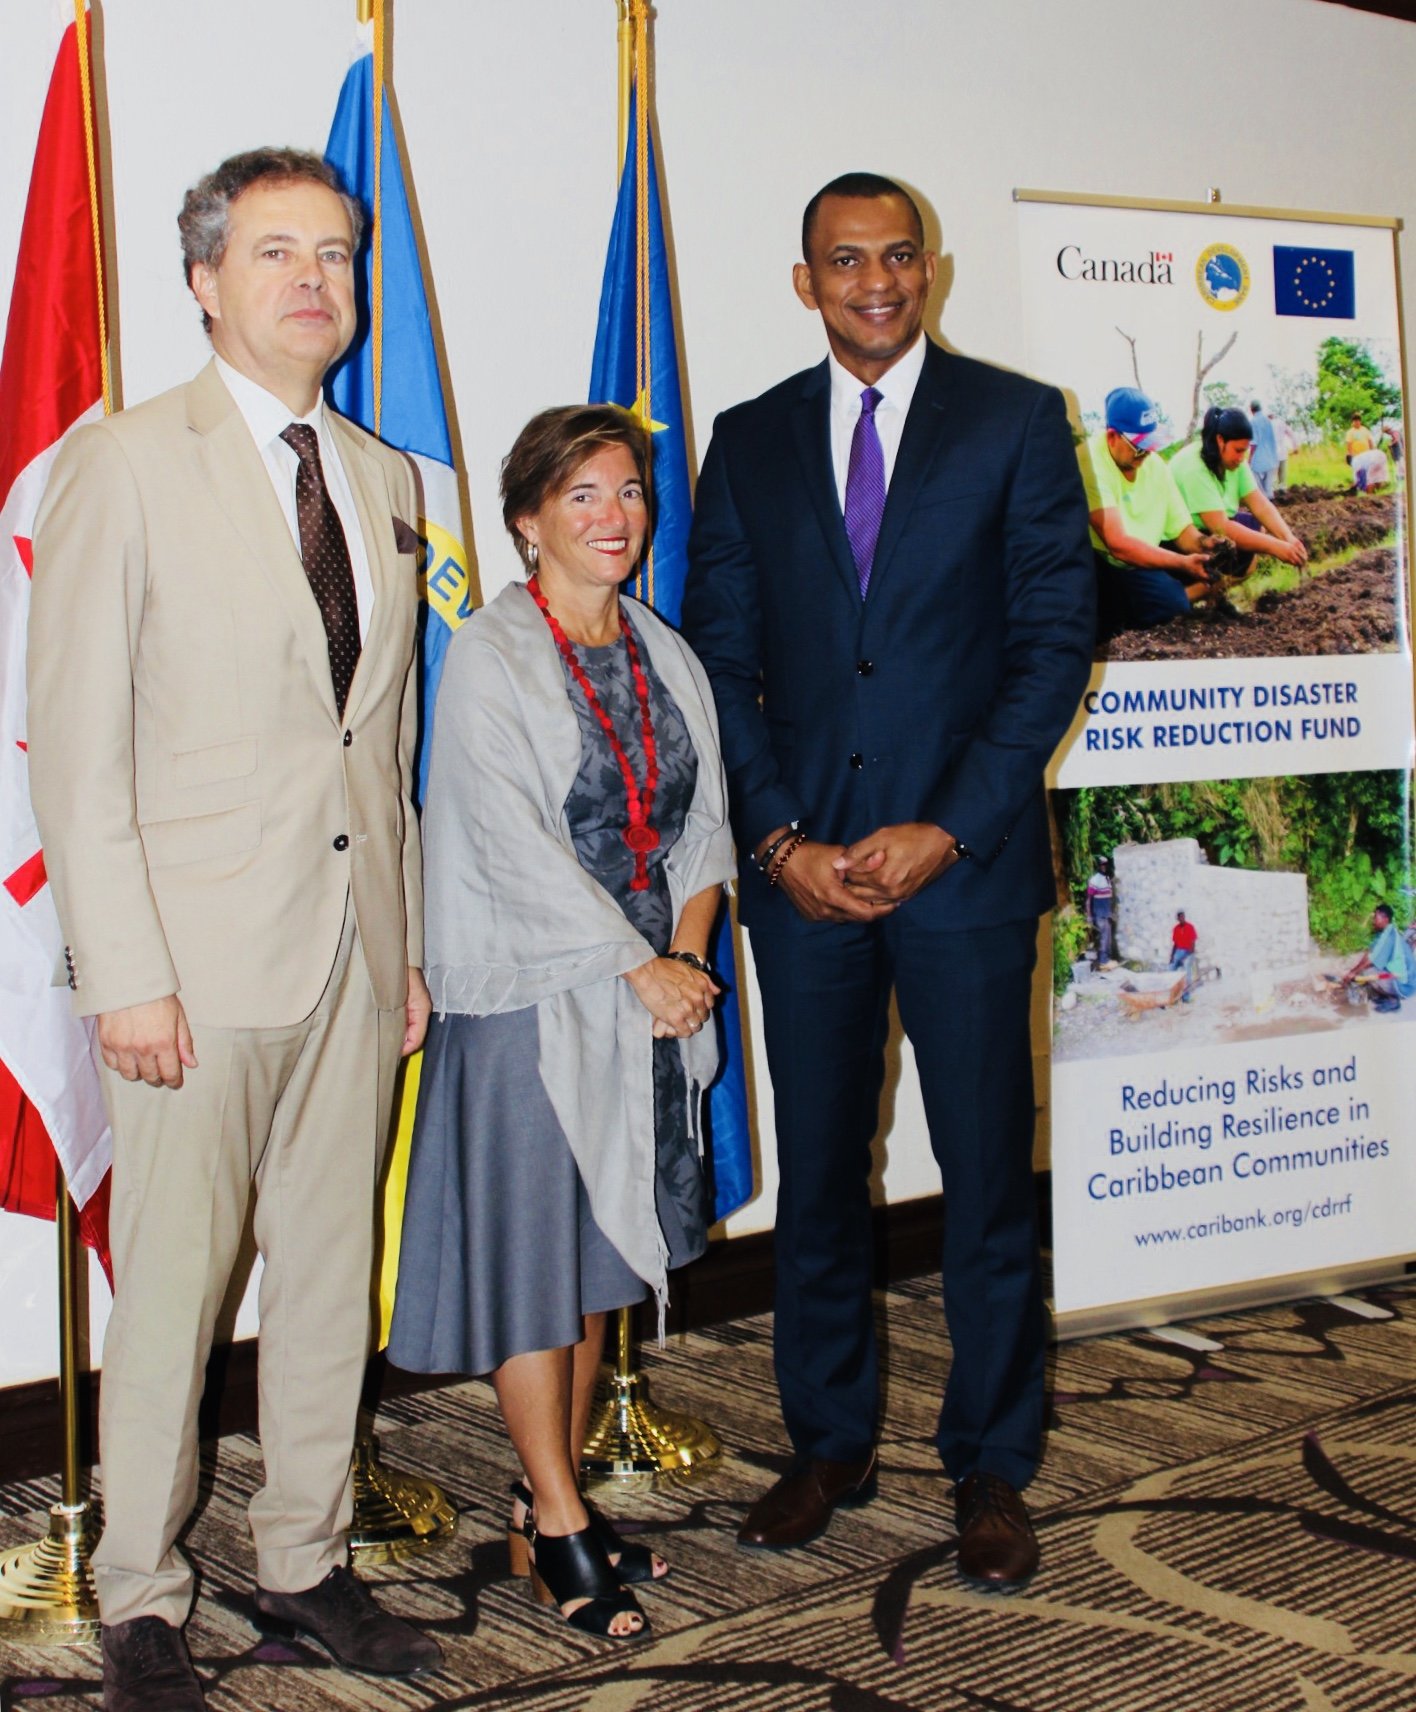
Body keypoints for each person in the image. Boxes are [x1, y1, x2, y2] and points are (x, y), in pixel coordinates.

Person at [26, 149, 440, 1711]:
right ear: (204, 279)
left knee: (335, 1277)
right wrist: (122, 973)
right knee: (180, 1292)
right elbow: (77, 745)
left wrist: (398, 947)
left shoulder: (387, 478)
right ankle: (141, 1597)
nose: (313, 282)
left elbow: (377, 746)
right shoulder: (126, 463)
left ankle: (307, 1564)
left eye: (334, 253)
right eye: (276, 253)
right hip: (191, 970)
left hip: (351, 953)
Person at [682, 172, 1094, 1588]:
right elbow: (717, 664)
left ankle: (991, 1462)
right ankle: (829, 1442)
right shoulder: (743, 444)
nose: (875, 280)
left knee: (984, 1181)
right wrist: (782, 840)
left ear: (933, 270)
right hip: (805, 887)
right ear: (805, 281)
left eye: (898, 256)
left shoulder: (1017, 422)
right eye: (845, 260)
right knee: (824, 1181)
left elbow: (1053, 647)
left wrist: (953, 827)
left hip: (963, 877)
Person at [387, 405, 733, 1641]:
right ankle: (555, 1510)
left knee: (602, 1270)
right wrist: (638, 964)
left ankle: (554, 1506)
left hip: (646, 994)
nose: (614, 516)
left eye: (630, 491)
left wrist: (686, 951)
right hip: (535, 1003)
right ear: (527, 517)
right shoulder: (487, 654)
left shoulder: (662, 646)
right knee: (541, 1274)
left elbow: (705, 823)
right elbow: (506, 845)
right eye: (581, 493)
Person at [1080, 387, 1215, 638]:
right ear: (1112, 437)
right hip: (1102, 562)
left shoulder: (1155, 466)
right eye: (1139, 446)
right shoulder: (1089, 464)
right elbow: (1118, 545)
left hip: (1143, 558)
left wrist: (1207, 545)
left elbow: (1183, 532)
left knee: (1176, 598)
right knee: (1163, 605)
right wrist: (1183, 563)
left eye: (1149, 444)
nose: (1147, 453)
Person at [1170, 407, 1308, 577]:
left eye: (1245, 450)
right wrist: (1275, 547)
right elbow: (1221, 527)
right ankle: (1190, 598)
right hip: (1180, 537)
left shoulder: (1234, 460)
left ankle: (1218, 595)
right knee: (1231, 550)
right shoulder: (1195, 466)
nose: (1242, 457)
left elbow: (1260, 504)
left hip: (1209, 527)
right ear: (1220, 441)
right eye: (1238, 450)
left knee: (1256, 530)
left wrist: (1289, 538)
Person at [1341, 903, 1416, 1013]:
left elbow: (1370, 961)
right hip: (1401, 978)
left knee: (1368, 971)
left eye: (1376, 917)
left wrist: (1353, 973)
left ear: (1385, 919)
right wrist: (1353, 971)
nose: (1373, 921)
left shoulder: (1389, 937)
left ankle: (1393, 1000)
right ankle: (1386, 993)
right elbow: (1369, 953)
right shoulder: (1384, 934)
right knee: (1365, 971)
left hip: (1405, 985)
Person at [1086, 858, 1116, 971]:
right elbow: (1089, 899)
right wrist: (1089, 916)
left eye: (1105, 864)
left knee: (1107, 938)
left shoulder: (1107, 879)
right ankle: (1103, 961)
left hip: (1107, 914)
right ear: (1098, 866)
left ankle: (1106, 960)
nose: (1104, 866)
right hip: (1099, 914)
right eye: (1101, 865)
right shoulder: (1095, 880)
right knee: (1104, 938)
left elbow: (1109, 898)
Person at [1248, 400, 1280, 498]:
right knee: (1268, 486)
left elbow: (1254, 443)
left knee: (1258, 485)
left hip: (1259, 459)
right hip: (1271, 457)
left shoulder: (1253, 422)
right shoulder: (1268, 420)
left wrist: (1250, 458)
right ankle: (1271, 504)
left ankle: (1264, 504)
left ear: (1251, 410)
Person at [1170, 909, 1199, 1000]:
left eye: (1183, 917)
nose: (1182, 918)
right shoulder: (1176, 928)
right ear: (1178, 918)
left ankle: (1186, 996)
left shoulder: (1190, 927)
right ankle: (1173, 993)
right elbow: (1175, 944)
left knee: (1187, 969)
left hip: (1189, 951)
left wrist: (1186, 956)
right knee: (1170, 968)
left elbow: (1193, 943)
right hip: (1179, 950)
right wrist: (1172, 956)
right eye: (1180, 917)